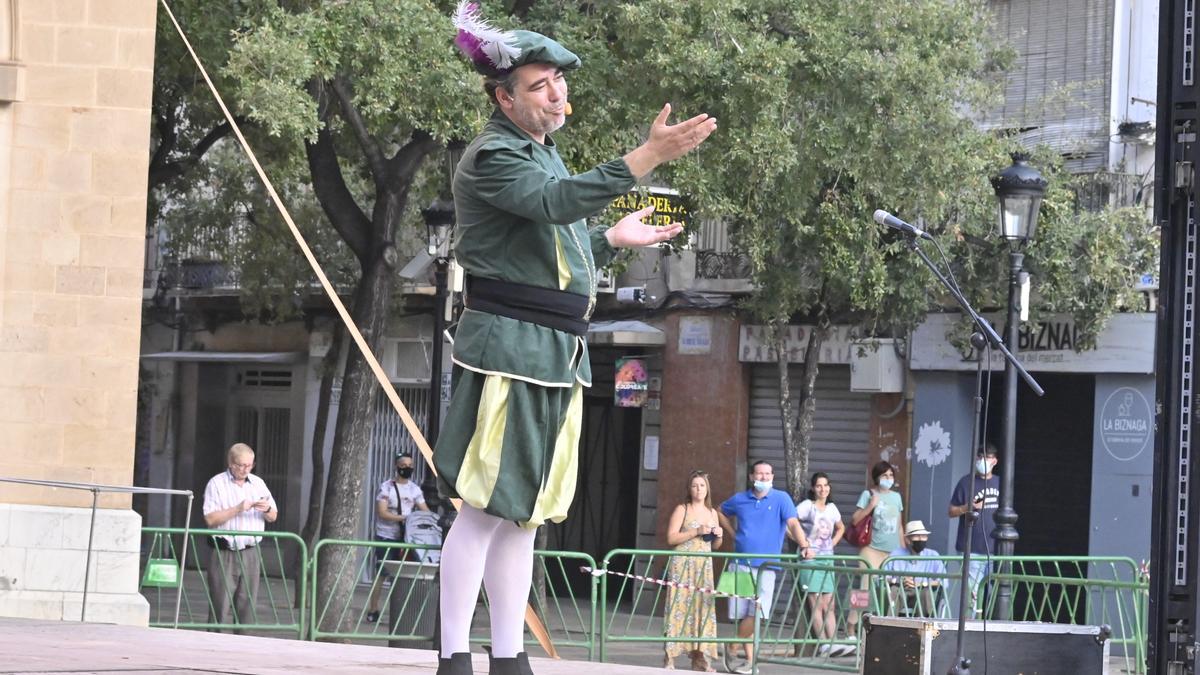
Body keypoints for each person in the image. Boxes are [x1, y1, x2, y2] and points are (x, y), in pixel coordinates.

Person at [436, 5, 717, 674]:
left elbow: (552, 242)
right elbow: (556, 206)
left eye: (559, 80)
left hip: (551, 350)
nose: (558, 92)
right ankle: (452, 656)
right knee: (483, 509)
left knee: (523, 516)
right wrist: (647, 155)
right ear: (504, 97)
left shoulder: (539, 154)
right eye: (540, 84)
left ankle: (507, 655)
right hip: (510, 349)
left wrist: (609, 239)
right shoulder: (496, 156)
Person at [720, 460, 813, 674]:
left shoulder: (782, 498)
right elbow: (720, 511)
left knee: (759, 614)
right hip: (739, 564)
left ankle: (732, 645)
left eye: (767, 474)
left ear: (773, 476)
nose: (763, 477)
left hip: (767, 567)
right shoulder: (740, 499)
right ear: (752, 476)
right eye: (759, 474)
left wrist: (805, 545)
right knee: (742, 616)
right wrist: (732, 534)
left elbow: (793, 524)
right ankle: (750, 664)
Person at [202, 442, 278, 633]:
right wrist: (237, 509)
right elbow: (210, 518)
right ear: (231, 463)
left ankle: (243, 645)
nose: (245, 469)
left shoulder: (258, 483)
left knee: (246, 607)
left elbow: (274, 516)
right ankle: (213, 647)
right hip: (223, 552)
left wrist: (267, 509)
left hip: (250, 551)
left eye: (249, 465)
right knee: (220, 604)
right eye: (241, 465)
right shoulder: (216, 483)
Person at [663, 471, 730, 671]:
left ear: (707, 488)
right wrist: (695, 531)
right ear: (689, 489)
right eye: (695, 485)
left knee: (702, 609)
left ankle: (700, 657)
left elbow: (715, 545)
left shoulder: (712, 513)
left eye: (702, 485)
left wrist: (719, 535)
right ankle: (670, 657)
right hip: (682, 565)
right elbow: (671, 538)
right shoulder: (682, 509)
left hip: (703, 567)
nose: (699, 489)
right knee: (678, 607)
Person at [365, 452, 430, 624]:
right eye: (404, 466)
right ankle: (373, 609)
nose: (407, 469)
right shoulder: (386, 487)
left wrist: (423, 521)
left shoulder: (414, 489)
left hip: (407, 538)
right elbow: (382, 512)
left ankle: (403, 612)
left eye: (410, 466)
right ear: (397, 467)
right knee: (382, 573)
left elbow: (425, 511)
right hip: (387, 536)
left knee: (406, 574)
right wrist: (404, 519)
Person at [795, 472, 846, 657]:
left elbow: (841, 527)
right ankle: (824, 644)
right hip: (810, 559)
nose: (823, 489)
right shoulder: (807, 506)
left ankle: (834, 643)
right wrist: (804, 544)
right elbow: (790, 524)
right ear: (813, 488)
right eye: (819, 486)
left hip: (827, 559)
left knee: (829, 604)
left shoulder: (832, 508)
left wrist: (832, 543)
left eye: (826, 485)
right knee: (815, 603)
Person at [947, 444, 1000, 616]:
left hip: (995, 550)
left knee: (994, 593)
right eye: (980, 457)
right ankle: (971, 628)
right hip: (970, 548)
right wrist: (968, 507)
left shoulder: (1000, 483)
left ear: (995, 461)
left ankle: (990, 627)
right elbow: (951, 511)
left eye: (987, 457)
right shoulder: (966, 482)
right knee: (973, 594)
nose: (982, 461)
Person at [884, 520, 948, 617]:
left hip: (922, 590)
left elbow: (944, 581)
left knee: (926, 593)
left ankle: (925, 627)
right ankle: (887, 625)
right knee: (893, 591)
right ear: (908, 540)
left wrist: (921, 583)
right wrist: (899, 580)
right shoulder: (896, 555)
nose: (921, 539)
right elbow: (883, 577)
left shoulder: (933, 555)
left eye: (923, 536)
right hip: (901, 589)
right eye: (917, 536)